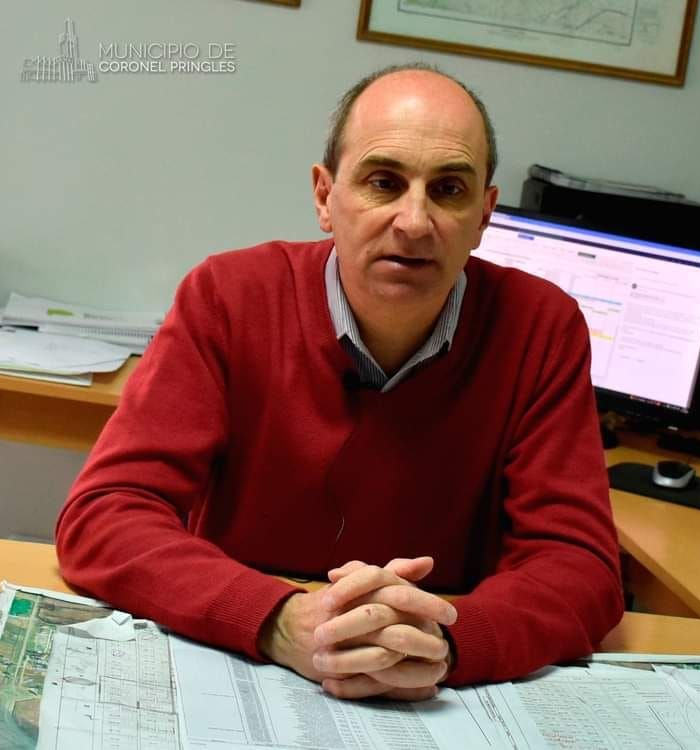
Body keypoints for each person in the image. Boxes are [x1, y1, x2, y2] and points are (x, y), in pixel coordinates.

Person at [55, 63, 623, 701]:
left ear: (484, 215)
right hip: (245, 660)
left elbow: (580, 567)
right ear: (325, 197)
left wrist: (445, 640)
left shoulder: (540, 328)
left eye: (448, 190)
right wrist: (279, 620)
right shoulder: (229, 297)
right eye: (384, 182)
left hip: (435, 690)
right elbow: (106, 514)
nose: (414, 222)